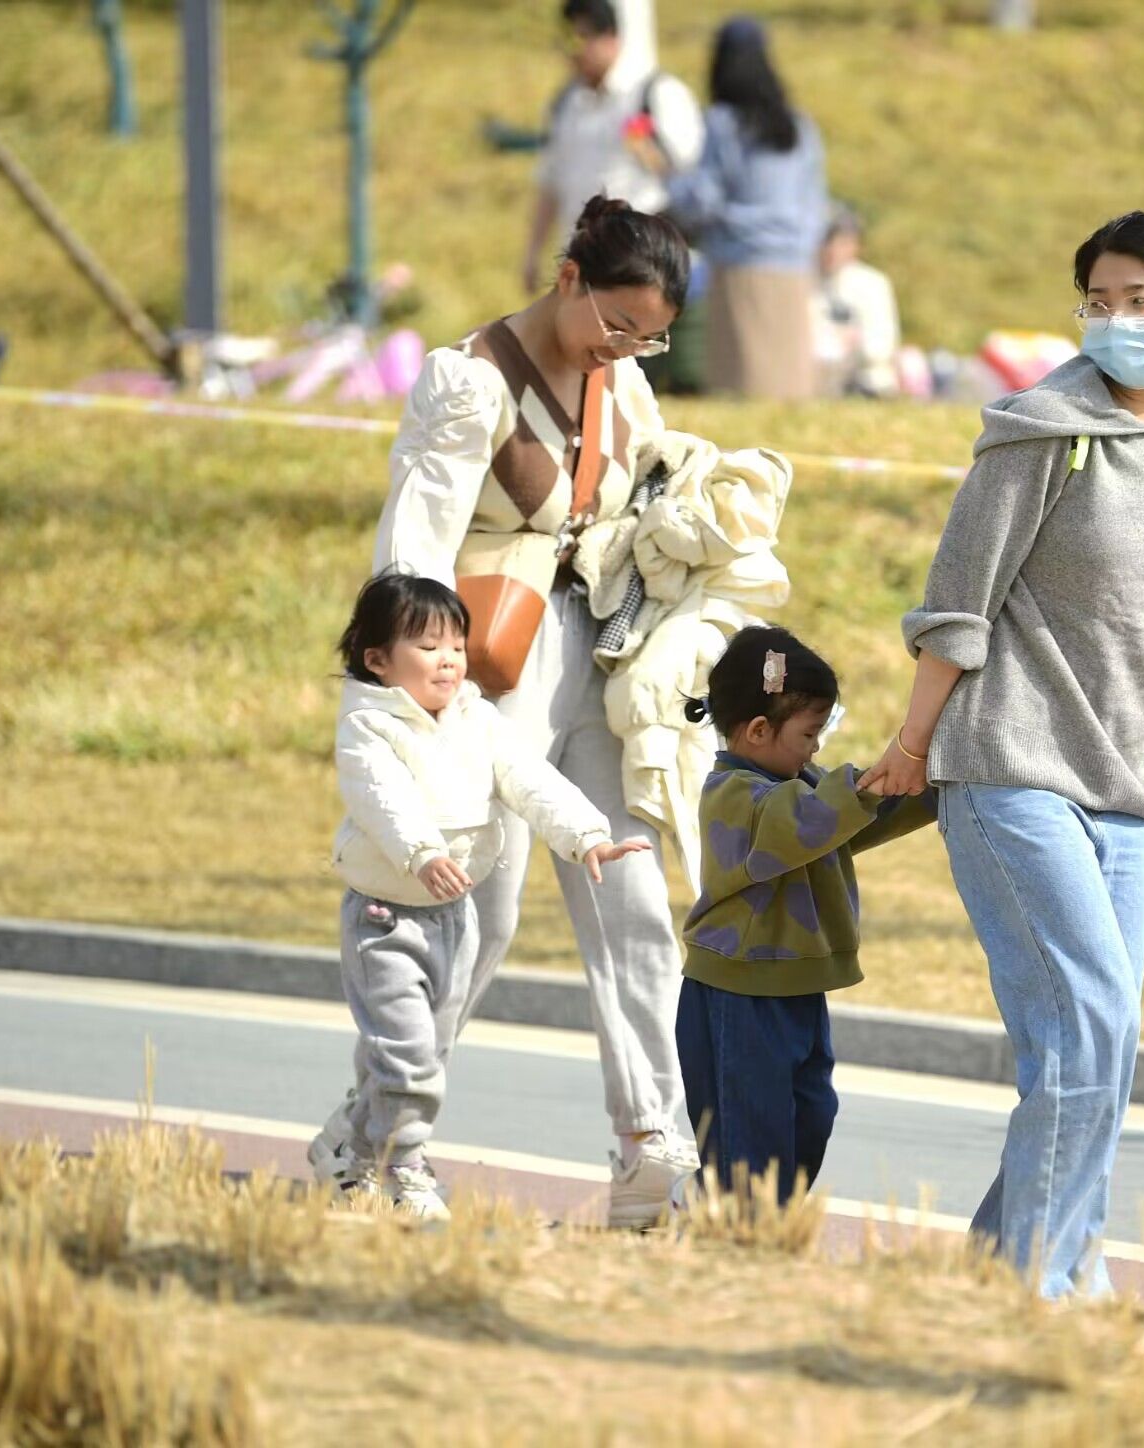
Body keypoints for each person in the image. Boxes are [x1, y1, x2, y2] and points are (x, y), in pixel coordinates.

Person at [859, 211, 1144, 1300]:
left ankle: (1000, 1263)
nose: (1117, 319)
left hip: (1119, 784)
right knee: (1089, 1019)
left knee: (1094, 1047)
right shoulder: (1042, 427)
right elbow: (956, 607)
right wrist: (914, 744)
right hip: (1009, 762)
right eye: (1099, 300)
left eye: (1142, 301)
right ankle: (1052, 1285)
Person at [353, 195, 700, 1229]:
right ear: (568, 279)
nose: (629, 347)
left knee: (630, 890)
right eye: (615, 324)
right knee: (477, 913)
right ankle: (378, 1142)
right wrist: (417, 696)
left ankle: (653, 1154)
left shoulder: (623, 385)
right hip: (490, 664)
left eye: (651, 335)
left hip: (599, 651)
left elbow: (643, 505)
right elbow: (413, 547)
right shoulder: (470, 383)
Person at [316, 571, 650, 1218]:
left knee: (420, 1055)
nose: (447, 660)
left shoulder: (479, 719)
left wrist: (586, 838)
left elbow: (530, 782)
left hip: (454, 920)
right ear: (378, 660)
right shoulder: (368, 726)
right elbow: (381, 799)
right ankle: (404, 1170)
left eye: (456, 645)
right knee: (409, 1058)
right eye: (426, 646)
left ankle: (353, 1156)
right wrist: (422, 853)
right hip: (384, 921)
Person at [678, 626, 935, 1203]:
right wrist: (865, 789)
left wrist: (925, 784)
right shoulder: (735, 795)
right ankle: (736, 1230)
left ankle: (746, 1215)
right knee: (750, 1134)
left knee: (810, 1113)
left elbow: (849, 821)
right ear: (760, 730)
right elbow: (807, 822)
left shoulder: (801, 787)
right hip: (737, 993)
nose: (816, 748)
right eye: (810, 734)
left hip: (796, 986)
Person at [665, 17, 827, 399]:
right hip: (793, 267)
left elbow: (702, 200)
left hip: (740, 267)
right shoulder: (800, 127)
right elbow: (815, 202)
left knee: (741, 388)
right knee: (787, 386)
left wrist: (668, 179)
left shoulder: (723, 124)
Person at [523, 0, 704, 296]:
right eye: (568, 40)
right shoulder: (568, 103)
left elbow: (686, 172)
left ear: (611, 38)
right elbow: (551, 181)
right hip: (584, 262)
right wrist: (533, 251)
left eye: (584, 38)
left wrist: (643, 144)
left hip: (643, 265)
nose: (575, 52)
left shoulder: (655, 92)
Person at [813, 205, 901, 398]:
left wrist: (854, 344)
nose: (832, 251)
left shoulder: (872, 283)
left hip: (866, 383)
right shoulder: (805, 282)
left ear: (856, 246)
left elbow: (882, 345)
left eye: (842, 243)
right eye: (827, 243)